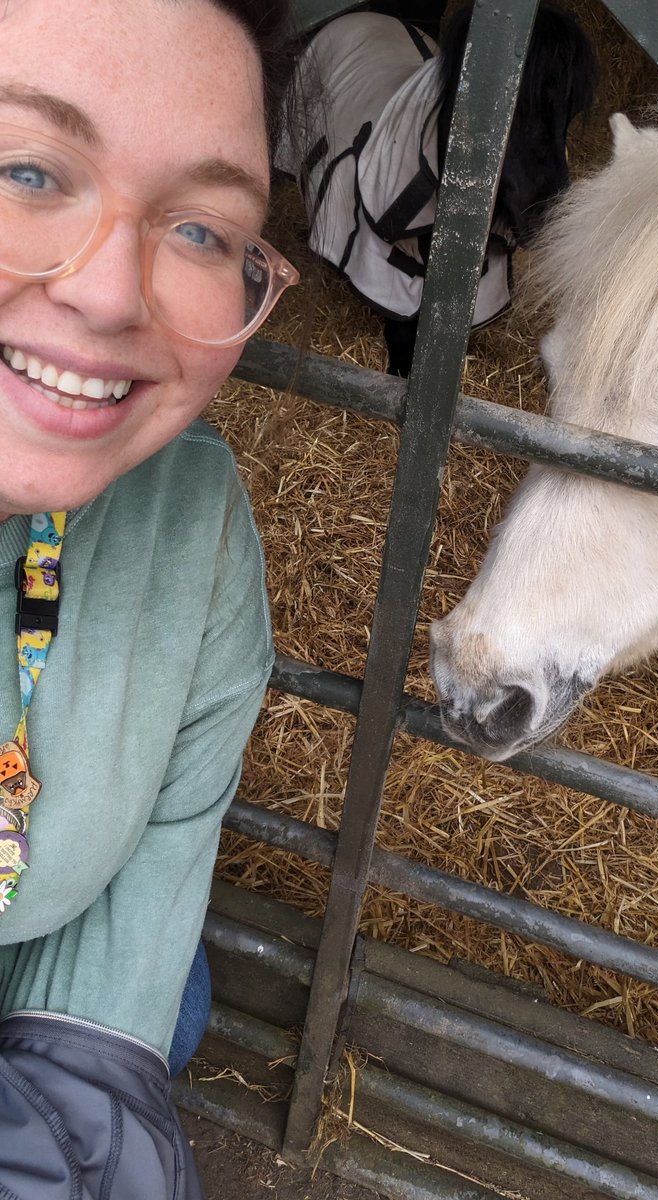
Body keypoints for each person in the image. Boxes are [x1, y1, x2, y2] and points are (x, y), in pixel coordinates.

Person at [0, 1, 299, 1195]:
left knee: (156, 1014)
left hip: (45, 952)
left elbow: (163, 848)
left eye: (202, 228)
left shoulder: (195, 523)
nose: (114, 295)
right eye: (26, 167)